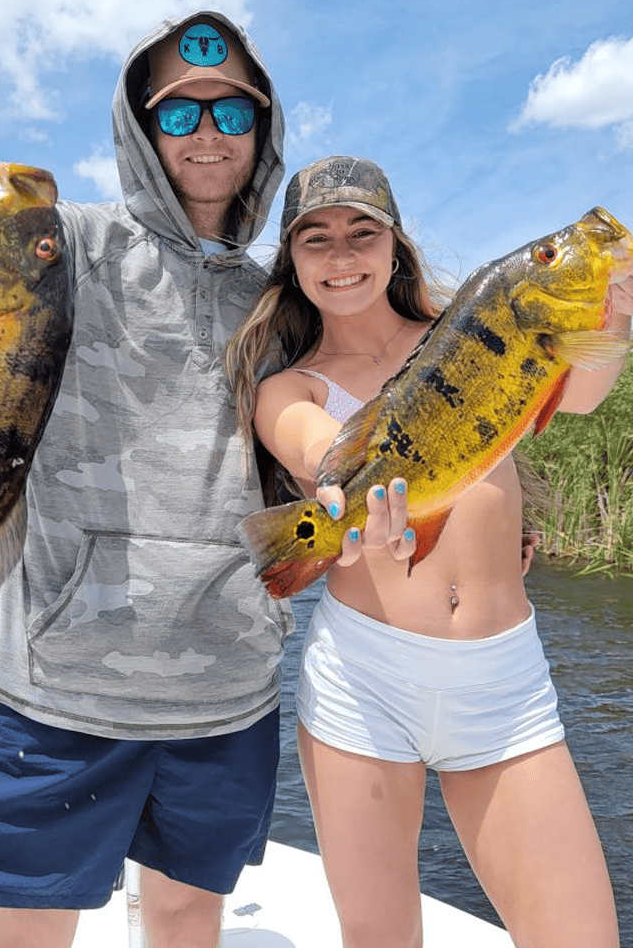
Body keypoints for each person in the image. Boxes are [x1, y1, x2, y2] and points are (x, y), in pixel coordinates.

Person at [0, 11, 288, 948]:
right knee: (28, 931)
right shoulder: (69, 247)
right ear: (139, 129)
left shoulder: (277, 299)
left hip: (226, 686)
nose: (207, 133)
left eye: (230, 112)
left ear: (262, 129)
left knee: (183, 923)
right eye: (179, 115)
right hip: (60, 683)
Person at [227, 155, 630, 948]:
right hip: (363, 683)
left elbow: (580, 393)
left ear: (394, 247)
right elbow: (317, 451)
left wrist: (612, 312)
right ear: (293, 262)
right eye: (317, 239)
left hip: (505, 683)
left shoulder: (478, 330)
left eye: (361, 233)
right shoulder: (290, 386)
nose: (342, 256)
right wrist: (344, 502)